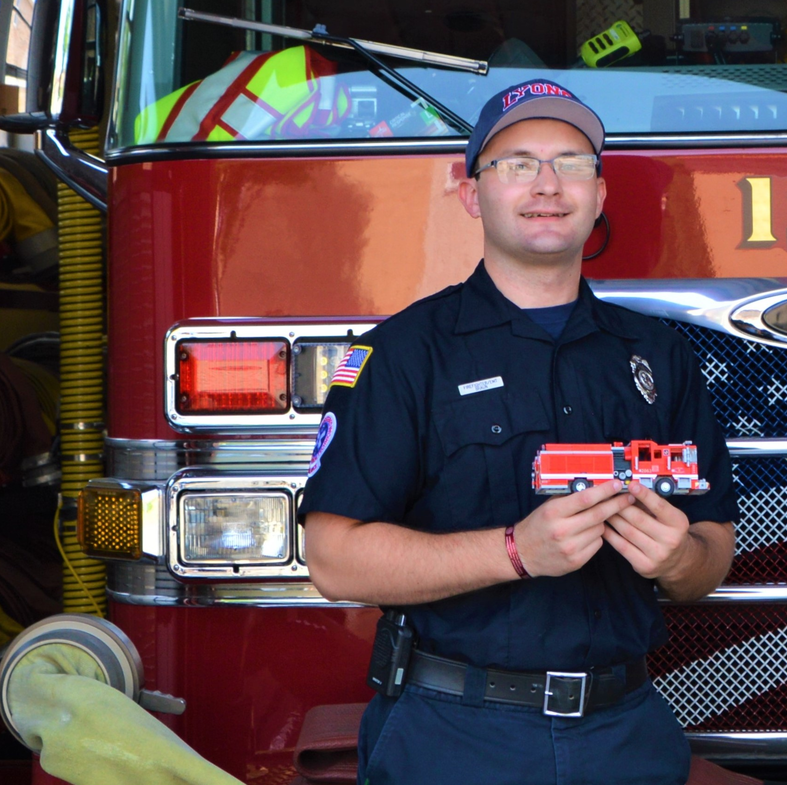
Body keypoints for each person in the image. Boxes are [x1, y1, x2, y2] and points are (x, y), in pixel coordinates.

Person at [300, 79, 737, 785]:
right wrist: (515, 551)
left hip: (627, 734)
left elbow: (713, 549)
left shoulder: (658, 354)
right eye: (517, 163)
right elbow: (333, 559)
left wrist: (679, 559)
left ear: (599, 194)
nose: (547, 184)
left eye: (572, 163)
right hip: (453, 739)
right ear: (472, 194)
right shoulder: (404, 354)